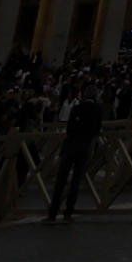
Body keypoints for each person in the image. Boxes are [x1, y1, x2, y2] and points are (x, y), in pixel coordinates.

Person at [47, 82, 105, 222]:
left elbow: (69, 128)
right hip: (85, 147)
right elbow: (97, 129)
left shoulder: (77, 108)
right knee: (76, 180)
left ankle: (53, 212)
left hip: (71, 145)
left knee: (61, 179)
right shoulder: (98, 110)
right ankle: (68, 212)